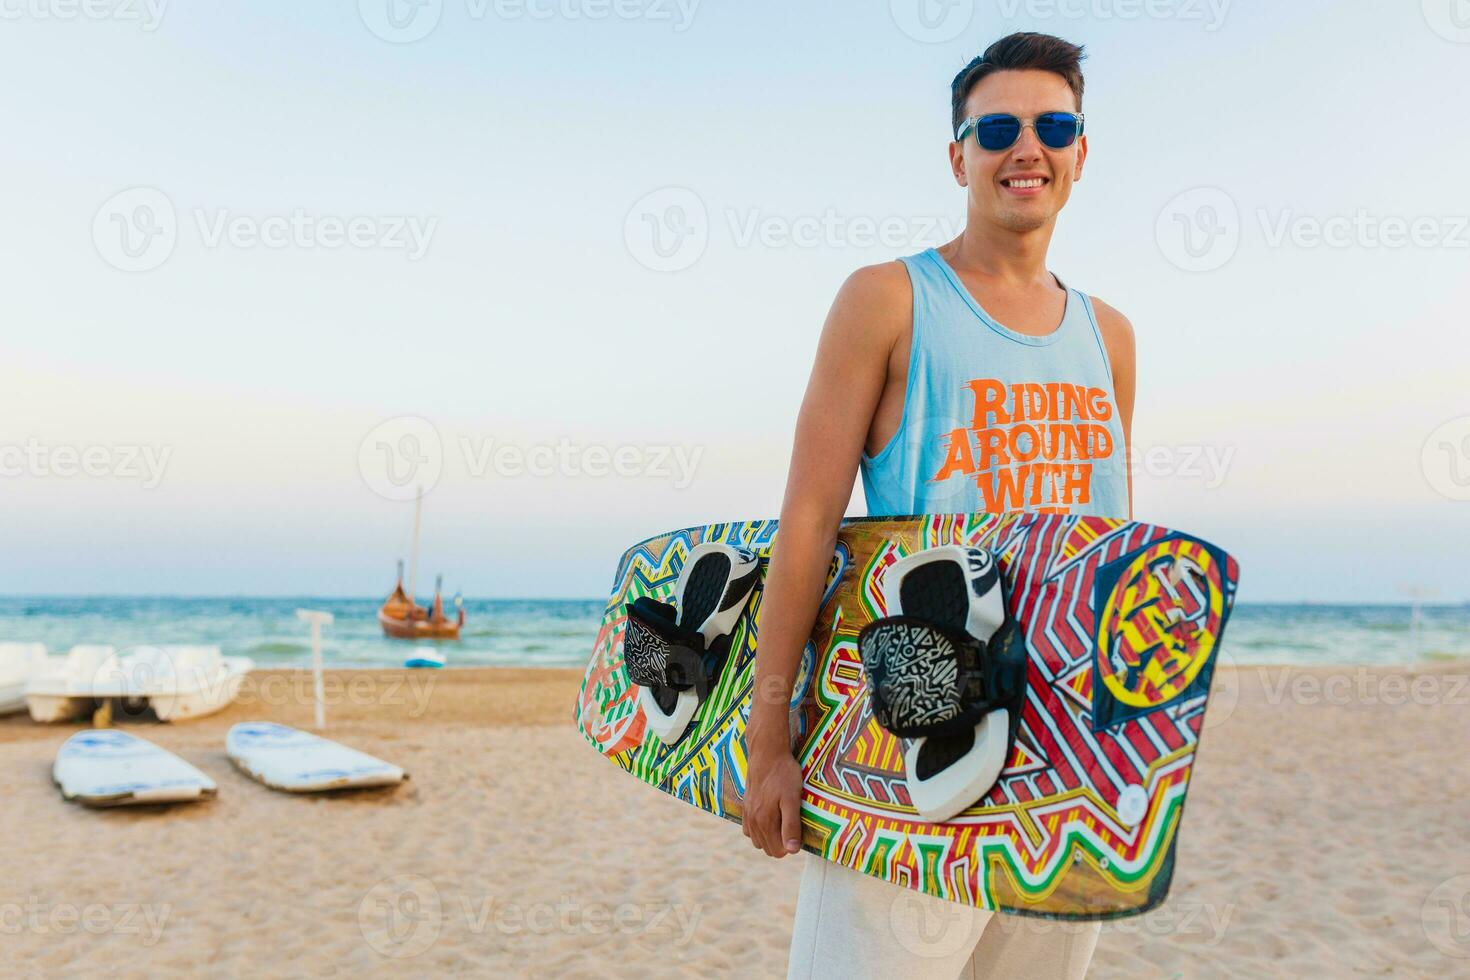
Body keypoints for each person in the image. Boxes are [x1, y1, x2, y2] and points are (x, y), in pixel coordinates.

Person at [741, 32, 1135, 979]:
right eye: (996, 127)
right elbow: (808, 523)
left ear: (1083, 151)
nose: (1025, 147)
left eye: (1053, 125)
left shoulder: (1110, 337)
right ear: (958, 154)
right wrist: (769, 731)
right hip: (909, 741)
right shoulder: (887, 299)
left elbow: (1113, 550)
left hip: (1068, 762)